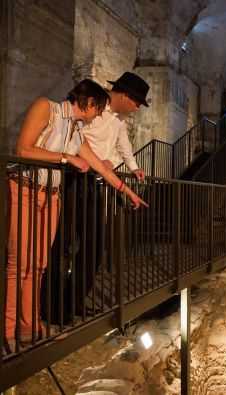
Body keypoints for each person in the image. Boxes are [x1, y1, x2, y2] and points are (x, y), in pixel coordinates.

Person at [5, 79, 147, 347]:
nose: (96, 116)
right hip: (24, 189)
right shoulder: (46, 108)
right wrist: (65, 158)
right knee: (19, 265)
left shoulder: (74, 130)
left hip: (51, 195)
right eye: (98, 109)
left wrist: (128, 192)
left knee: (38, 265)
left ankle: (30, 326)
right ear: (88, 103)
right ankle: (9, 327)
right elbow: (23, 149)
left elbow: (101, 168)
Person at [81, 71, 149, 178]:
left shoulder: (120, 118)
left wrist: (134, 168)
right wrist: (97, 162)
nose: (137, 109)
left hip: (96, 176)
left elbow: (123, 144)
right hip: (77, 171)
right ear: (125, 96)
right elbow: (75, 135)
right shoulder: (93, 103)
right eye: (137, 104)